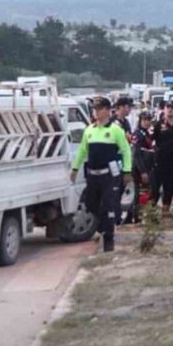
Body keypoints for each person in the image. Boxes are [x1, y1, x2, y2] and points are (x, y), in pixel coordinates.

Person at [70, 97, 132, 252]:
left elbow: (126, 151)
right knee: (91, 204)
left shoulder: (115, 130)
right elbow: (82, 151)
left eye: (98, 109)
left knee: (108, 206)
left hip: (109, 175)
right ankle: (103, 226)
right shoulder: (89, 130)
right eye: (94, 109)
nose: (95, 112)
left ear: (107, 111)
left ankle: (109, 238)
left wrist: (127, 171)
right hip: (92, 175)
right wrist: (74, 169)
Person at [152, 101, 173, 215]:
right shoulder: (158, 124)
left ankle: (165, 211)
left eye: (172, 107)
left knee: (170, 186)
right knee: (155, 186)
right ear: (164, 109)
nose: (170, 110)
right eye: (168, 107)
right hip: (160, 160)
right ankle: (151, 211)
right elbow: (152, 140)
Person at [127, 111, 155, 224]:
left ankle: (144, 214)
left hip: (148, 166)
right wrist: (143, 171)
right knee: (138, 193)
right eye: (144, 120)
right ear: (140, 121)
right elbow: (136, 154)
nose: (147, 122)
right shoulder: (137, 134)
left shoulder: (147, 133)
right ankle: (135, 216)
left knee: (149, 191)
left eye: (148, 120)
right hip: (138, 168)